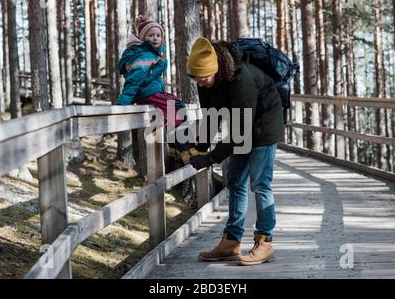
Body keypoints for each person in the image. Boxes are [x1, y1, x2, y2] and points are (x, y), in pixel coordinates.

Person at [186, 37, 285, 266]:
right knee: (235, 181)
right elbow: (211, 116)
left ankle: (265, 241)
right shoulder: (207, 82)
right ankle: (231, 241)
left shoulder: (242, 81)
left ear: (216, 70)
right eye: (196, 80)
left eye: (203, 79)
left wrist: (210, 158)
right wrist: (200, 147)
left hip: (264, 126)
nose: (200, 84)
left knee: (259, 183)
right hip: (244, 125)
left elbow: (241, 132)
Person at [116, 15, 194, 163]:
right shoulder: (144, 55)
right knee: (174, 107)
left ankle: (175, 146)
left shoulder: (152, 54)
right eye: (150, 35)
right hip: (147, 94)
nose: (155, 38)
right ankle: (183, 147)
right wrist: (123, 102)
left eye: (158, 35)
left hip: (152, 92)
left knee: (177, 104)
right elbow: (134, 80)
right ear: (143, 38)